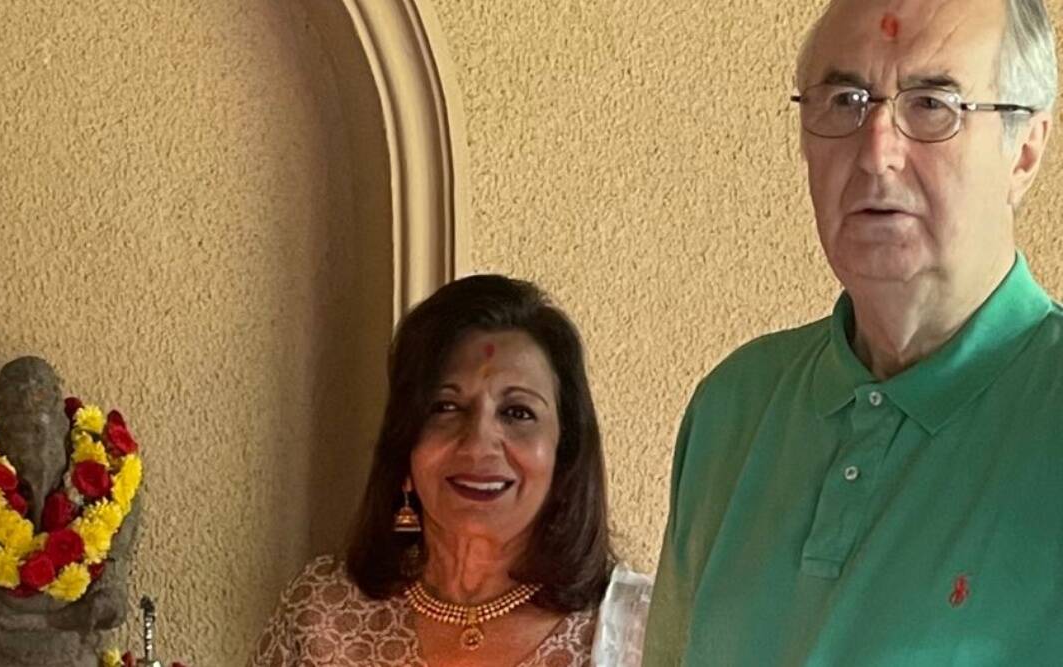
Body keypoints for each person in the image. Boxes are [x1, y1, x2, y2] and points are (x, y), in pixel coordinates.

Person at [643, 0, 1062, 664]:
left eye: (932, 105)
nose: (875, 153)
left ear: (1025, 152)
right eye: (845, 101)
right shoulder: (733, 406)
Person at [248, 275, 651, 666]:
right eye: (445, 407)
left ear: (565, 451)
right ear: (405, 440)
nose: (477, 443)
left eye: (517, 412)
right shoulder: (322, 616)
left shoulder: (636, 633)